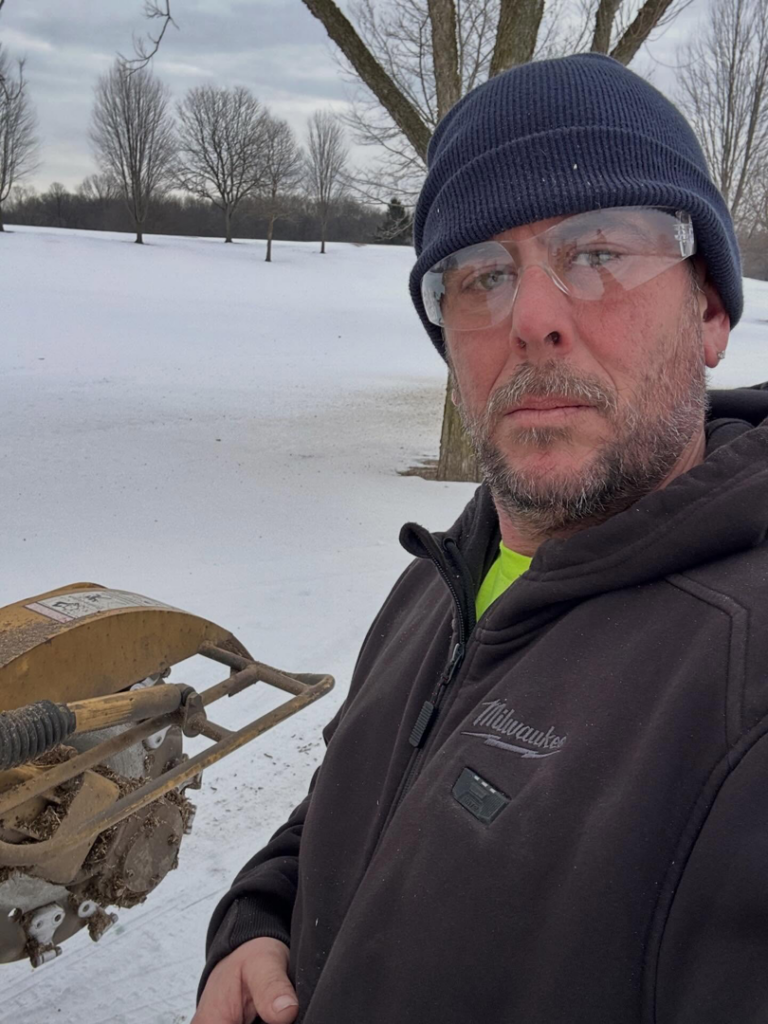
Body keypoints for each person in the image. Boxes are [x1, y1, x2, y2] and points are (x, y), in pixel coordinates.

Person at [193, 54, 768, 1024]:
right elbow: (352, 807)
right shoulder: (448, 572)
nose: (533, 317)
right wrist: (259, 918)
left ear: (708, 304)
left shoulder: (741, 692)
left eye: (598, 253)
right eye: (481, 276)